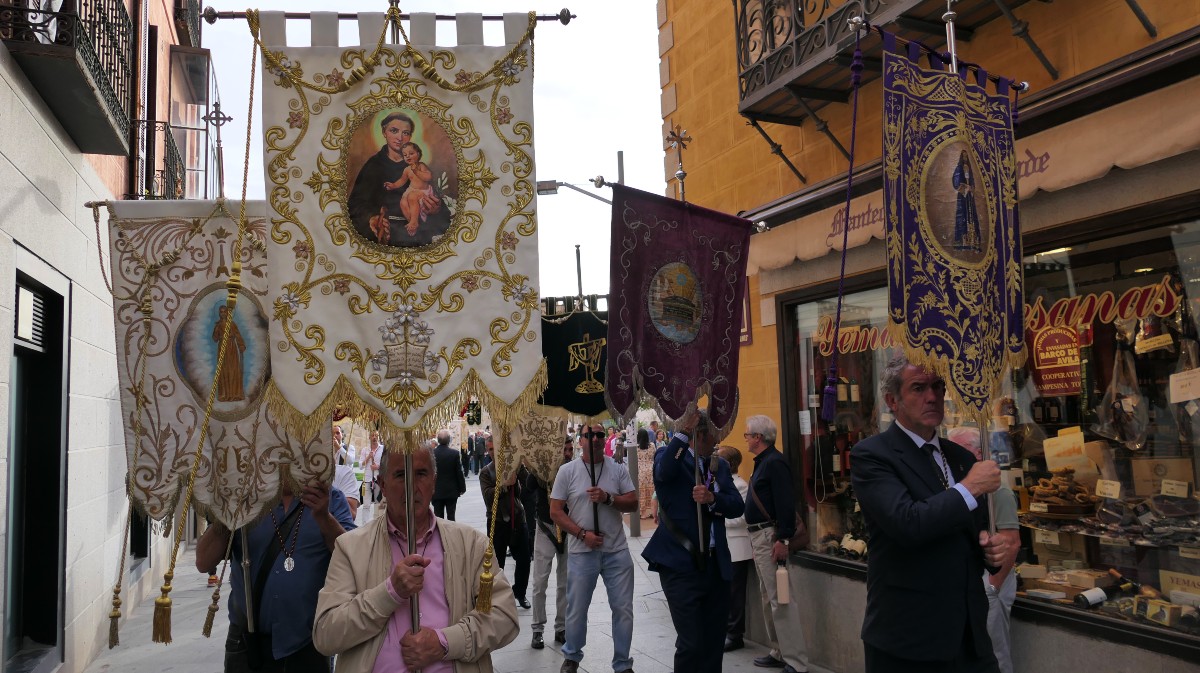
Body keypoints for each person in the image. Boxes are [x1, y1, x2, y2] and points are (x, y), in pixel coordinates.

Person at [850, 354, 1008, 673]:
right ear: (893, 400)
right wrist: (969, 488)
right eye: (918, 388)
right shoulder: (872, 456)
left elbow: (968, 533)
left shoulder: (961, 457)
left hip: (970, 638)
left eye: (937, 386)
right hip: (908, 638)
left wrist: (989, 549)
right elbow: (908, 523)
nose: (932, 396)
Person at [312, 443, 519, 672]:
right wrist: (389, 593)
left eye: (421, 474)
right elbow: (326, 634)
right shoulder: (351, 548)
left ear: (434, 481)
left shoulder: (471, 545)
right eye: (400, 475)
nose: (411, 486)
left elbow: (503, 616)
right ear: (382, 484)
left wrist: (444, 642)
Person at [195, 476, 355, 673]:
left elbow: (352, 559)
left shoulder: (331, 498)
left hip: (307, 643)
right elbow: (203, 562)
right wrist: (227, 511)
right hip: (247, 643)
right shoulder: (246, 498)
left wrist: (324, 517)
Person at [642, 407, 744, 673]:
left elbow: (736, 505)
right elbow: (664, 473)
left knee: (713, 642)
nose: (719, 439)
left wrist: (713, 499)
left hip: (715, 566)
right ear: (700, 434)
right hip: (680, 565)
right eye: (714, 433)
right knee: (691, 643)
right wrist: (682, 432)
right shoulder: (669, 456)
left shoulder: (718, 465)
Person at [550, 423, 638, 673]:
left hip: (616, 551)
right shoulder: (568, 471)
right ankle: (572, 657)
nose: (596, 439)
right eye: (590, 435)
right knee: (577, 608)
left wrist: (608, 498)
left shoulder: (618, 469)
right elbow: (555, 511)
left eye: (600, 434)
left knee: (623, 608)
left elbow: (632, 503)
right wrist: (582, 534)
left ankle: (623, 663)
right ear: (581, 441)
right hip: (582, 551)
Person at [947, 426, 1022, 673]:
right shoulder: (955, 488)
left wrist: (992, 585)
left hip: (989, 580)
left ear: (978, 454)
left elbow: (1011, 542)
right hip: (966, 583)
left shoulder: (997, 491)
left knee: (994, 651)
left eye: (959, 450)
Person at [743, 415, 810, 673]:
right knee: (768, 596)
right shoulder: (764, 462)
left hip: (770, 538)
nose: (746, 439)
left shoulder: (774, 463)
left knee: (781, 598)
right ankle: (780, 649)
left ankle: (796, 660)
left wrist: (783, 539)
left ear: (758, 438)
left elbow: (785, 503)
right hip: (760, 537)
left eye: (748, 434)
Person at [346, 112, 448, 246]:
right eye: (394, 131)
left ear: (410, 136)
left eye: (406, 133)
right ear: (384, 132)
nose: (400, 137)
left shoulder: (417, 165)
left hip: (416, 235)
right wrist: (371, 218)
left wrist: (435, 209)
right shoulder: (373, 165)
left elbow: (434, 200)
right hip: (385, 235)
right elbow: (356, 206)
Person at [525, 438, 573, 649]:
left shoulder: (575, 470)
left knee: (565, 582)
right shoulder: (543, 469)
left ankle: (561, 627)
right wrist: (538, 469)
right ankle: (537, 629)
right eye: (564, 450)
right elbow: (527, 488)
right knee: (539, 581)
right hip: (545, 525)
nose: (568, 453)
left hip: (569, 527)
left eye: (571, 449)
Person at [479, 436, 532, 610]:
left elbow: (528, 483)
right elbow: (488, 497)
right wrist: (503, 485)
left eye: (496, 448)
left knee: (524, 559)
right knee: (497, 562)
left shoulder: (513, 464)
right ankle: (499, 597)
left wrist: (520, 462)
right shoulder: (486, 472)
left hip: (517, 518)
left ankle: (520, 592)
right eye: (490, 449)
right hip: (498, 521)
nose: (494, 452)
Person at [719, 445, 753, 653]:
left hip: (737, 547)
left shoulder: (740, 485)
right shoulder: (718, 483)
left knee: (735, 593)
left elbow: (741, 518)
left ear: (728, 464)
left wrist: (715, 516)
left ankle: (735, 634)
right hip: (723, 547)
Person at [384, 142, 435, 237]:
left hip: (422, 192)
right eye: (405, 155)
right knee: (403, 202)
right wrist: (393, 185)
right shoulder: (407, 169)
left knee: (412, 196)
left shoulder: (421, 166)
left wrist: (416, 171)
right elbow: (401, 181)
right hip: (411, 191)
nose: (408, 156)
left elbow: (428, 177)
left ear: (418, 154)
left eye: (411, 153)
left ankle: (414, 221)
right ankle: (412, 223)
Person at [212, 305, 246, 402]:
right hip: (222, 347)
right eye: (221, 312)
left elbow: (238, 335)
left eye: (224, 311)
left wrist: (241, 345)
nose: (222, 313)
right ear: (219, 313)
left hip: (231, 348)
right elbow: (215, 339)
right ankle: (224, 395)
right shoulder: (218, 325)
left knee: (233, 369)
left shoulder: (232, 324)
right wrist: (216, 330)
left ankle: (235, 394)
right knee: (223, 370)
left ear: (228, 313)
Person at [431, 429, 467, 520]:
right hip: (451, 491)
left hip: (437, 491)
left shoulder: (432, 454)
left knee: (438, 518)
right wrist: (462, 488)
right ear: (449, 440)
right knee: (451, 516)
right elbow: (459, 472)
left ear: (438, 440)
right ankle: (451, 533)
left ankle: (439, 534)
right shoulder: (454, 454)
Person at [635, 429, 656, 518]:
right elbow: (654, 455)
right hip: (651, 469)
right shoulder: (652, 445)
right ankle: (653, 511)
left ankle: (642, 513)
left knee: (641, 491)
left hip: (640, 471)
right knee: (651, 491)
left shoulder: (636, 447)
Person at [360, 431, 383, 507]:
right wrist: (368, 457)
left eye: (376, 435)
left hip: (379, 479)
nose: (374, 437)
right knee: (366, 505)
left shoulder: (383, 449)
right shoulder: (365, 450)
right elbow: (360, 466)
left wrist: (378, 467)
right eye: (372, 435)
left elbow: (388, 464)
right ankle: (365, 519)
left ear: (379, 437)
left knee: (379, 504)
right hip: (367, 479)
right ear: (369, 437)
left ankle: (377, 518)